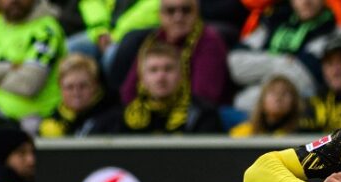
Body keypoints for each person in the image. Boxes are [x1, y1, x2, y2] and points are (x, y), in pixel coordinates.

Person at [109, 0, 228, 105]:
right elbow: (129, 92)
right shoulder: (153, 39)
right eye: (171, 11)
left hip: (194, 114)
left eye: (186, 10)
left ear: (197, 12)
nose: (178, 17)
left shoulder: (208, 40)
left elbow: (204, 96)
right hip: (150, 112)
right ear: (160, 15)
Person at [92, 41, 223, 133]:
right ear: (142, 78)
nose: (161, 77)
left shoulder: (202, 114)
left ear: (181, 75)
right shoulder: (124, 118)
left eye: (168, 69)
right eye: (153, 70)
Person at [0, 0, 66, 125]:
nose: (14, 1)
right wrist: (11, 67)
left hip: (34, 119)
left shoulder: (46, 30)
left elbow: (28, 85)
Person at [39, 54, 116, 137]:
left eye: (83, 86)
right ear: (60, 87)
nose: (76, 93)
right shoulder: (50, 123)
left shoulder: (113, 118)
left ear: (95, 86)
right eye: (70, 87)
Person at [229, 73, 303, 136]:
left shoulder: (301, 135)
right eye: (273, 92)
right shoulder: (242, 133)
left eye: (284, 93)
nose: (279, 97)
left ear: (294, 101)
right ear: (262, 100)